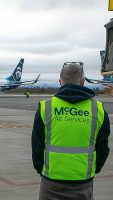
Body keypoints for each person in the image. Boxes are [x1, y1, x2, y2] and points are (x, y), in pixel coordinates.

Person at [31, 62, 110, 200]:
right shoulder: (98, 109)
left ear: (60, 81)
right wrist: (92, 170)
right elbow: (103, 148)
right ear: (83, 82)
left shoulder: (46, 107)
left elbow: (36, 146)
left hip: (51, 181)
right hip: (83, 182)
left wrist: (41, 170)